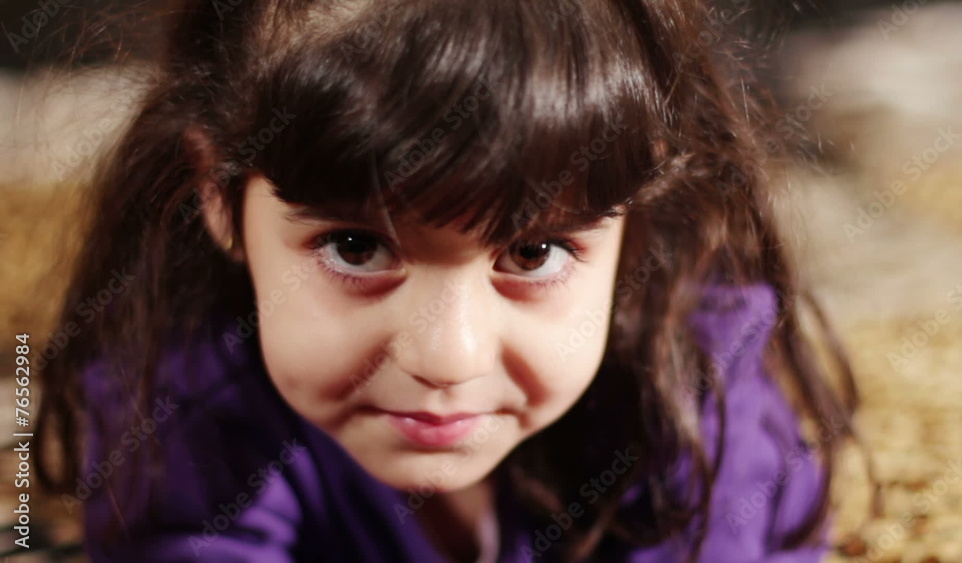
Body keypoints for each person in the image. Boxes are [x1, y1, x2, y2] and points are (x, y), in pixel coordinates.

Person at [36, 0, 858, 560]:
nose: (447, 356)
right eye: (356, 247)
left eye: (533, 255)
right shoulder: (176, 394)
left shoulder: (698, 389)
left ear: (636, 216)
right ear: (219, 195)